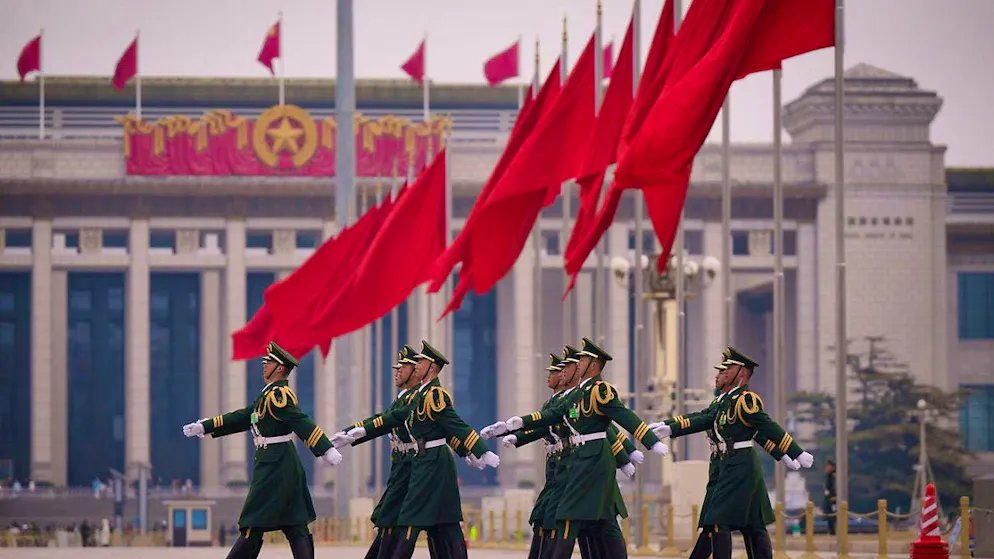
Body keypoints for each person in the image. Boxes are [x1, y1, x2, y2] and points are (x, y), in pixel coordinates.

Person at [489, 337, 667, 559]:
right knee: (597, 522)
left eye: (581, 360)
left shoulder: (600, 391)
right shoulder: (576, 395)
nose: (572, 366)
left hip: (592, 461)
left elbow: (618, 421)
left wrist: (645, 444)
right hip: (576, 460)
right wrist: (517, 426)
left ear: (593, 364)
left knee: (570, 516)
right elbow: (552, 417)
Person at [182, 341, 343, 559]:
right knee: (295, 525)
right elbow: (241, 417)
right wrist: (205, 426)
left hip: (275, 468)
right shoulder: (266, 396)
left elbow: (300, 421)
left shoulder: (279, 396)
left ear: (279, 368)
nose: (264, 365)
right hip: (281, 465)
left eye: (268, 362)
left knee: (252, 524)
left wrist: (326, 449)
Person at [652, 347, 815, 559]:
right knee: (750, 524)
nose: (720, 374)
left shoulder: (746, 400)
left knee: (718, 520)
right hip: (723, 465)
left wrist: (794, 452)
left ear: (741, 374)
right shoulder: (721, 403)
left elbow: (766, 427)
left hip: (739, 466)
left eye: (727, 369)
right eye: (721, 370)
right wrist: (670, 426)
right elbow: (704, 418)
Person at [346, 340, 500, 559]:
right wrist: (356, 432)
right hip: (418, 461)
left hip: (432, 463)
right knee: (440, 524)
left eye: (422, 362)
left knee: (415, 518)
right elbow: (394, 421)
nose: (417, 365)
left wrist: (478, 450)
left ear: (433, 368)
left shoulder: (435, 395)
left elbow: (454, 426)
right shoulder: (418, 396)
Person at [334, 344, 430, 559]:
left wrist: (358, 432)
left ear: (415, 371)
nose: (397, 372)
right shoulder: (403, 397)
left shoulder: (417, 397)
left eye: (402, 368)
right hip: (401, 465)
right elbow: (380, 419)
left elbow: (388, 420)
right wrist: (350, 433)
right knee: (390, 520)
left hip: (412, 465)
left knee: (396, 521)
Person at [824, 459, 837, 535]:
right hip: (829, 499)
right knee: (829, 516)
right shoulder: (828, 476)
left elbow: (833, 488)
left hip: (833, 499)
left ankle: (833, 531)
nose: (826, 468)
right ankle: (831, 530)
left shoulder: (833, 476)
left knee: (833, 516)